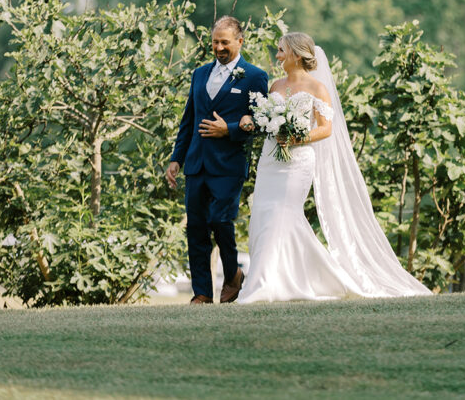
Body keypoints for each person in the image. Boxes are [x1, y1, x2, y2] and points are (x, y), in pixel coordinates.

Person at [236, 32, 431, 303]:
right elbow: (266, 118)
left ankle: (266, 284)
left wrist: (297, 137)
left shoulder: (318, 89)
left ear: (295, 54)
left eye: (281, 50)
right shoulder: (275, 85)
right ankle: (281, 280)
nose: (277, 55)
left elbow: (326, 129)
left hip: (298, 161)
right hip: (271, 160)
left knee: (283, 214)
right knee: (265, 214)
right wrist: (255, 120)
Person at [167, 16, 269, 304]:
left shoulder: (255, 76)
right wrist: (177, 159)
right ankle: (201, 292)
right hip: (197, 163)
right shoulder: (199, 74)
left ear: (240, 41)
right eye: (215, 42)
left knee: (220, 220)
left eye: (225, 42)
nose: (219, 47)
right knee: (197, 227)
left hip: (229, 164)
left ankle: (232, 273)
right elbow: (189, 120)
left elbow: (263, 122)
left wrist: (230, 129)